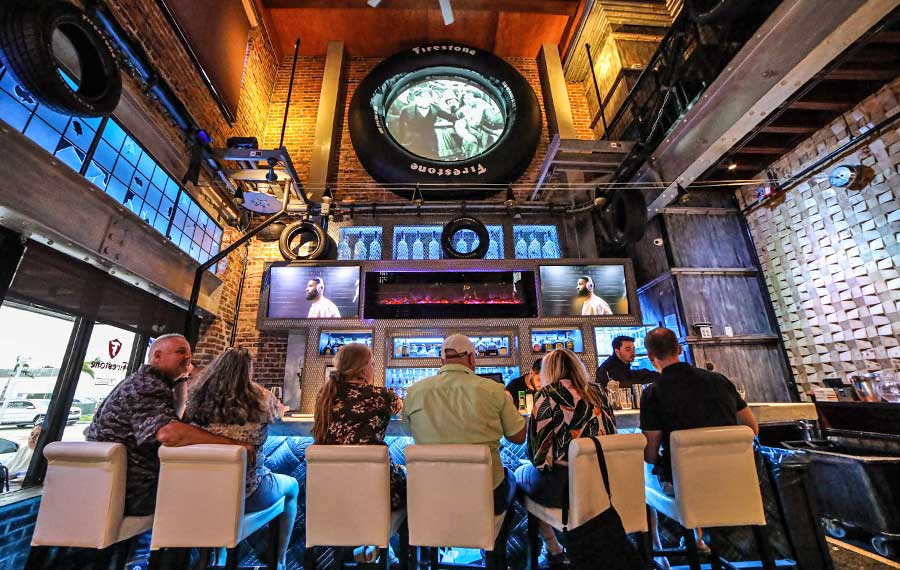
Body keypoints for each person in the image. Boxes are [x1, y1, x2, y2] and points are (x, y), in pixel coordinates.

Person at [84, 334, 254, 516]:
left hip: (117, 483)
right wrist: (235, 444)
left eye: (190, 354)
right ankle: (198, 542)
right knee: (219, 489)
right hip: (132, 491)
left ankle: (196, 543)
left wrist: (182, 379)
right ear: (157, 356)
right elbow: (170, 433)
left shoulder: (146, 381)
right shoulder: (147, 386)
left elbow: (176, 416)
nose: (188, 358)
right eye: (181, 352)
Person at [639, 327, 759, 553]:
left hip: (687, 485)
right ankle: (708, 535)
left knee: (643, 478)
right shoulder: (719, 380)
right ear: (680, 349)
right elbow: (751, 429)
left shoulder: (653, 393)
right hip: (736, 478)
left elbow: (650, 454)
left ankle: (668, 549)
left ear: (650, 356)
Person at [181, 348, 297, 569]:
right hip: (248, 494)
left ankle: (218, 558)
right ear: (248, 372)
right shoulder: (261, 398)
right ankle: (280, 562)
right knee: (292, 486)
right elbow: (279, 413)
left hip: (199, 494)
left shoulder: (196, 399)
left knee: (220, 487)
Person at [515, 349, 617, 568]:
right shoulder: (598, 392)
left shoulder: (548, 395)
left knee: (518, 476)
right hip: (605, 484)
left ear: (548, 371)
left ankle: (553, 549)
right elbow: (612, 435)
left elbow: (539, 457)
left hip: (567, 490)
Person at [403, 334, 526, 515]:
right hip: (486, 495)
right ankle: (495, 539)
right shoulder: (494, 390)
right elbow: (518, 437)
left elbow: (407, 431)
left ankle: (430, 539)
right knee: (513, 479)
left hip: (431, 493)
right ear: (471, 357)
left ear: (441, 359)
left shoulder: (414, 391)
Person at [313, 342, 404, 564]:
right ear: (364, 369)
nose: (373, 368)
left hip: (330, 496)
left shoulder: (324, 397)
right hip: (375, 493)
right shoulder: (382, 395)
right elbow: (401, 407)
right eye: (372, 364)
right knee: (411, 482)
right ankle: (396, 556)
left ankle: (370, 548)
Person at [595, 335, 660, 389]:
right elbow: (628, 382)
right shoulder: (608, 369)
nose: (633, 352)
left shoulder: (623, 365)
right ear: (617, 351)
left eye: (633, 349)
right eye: (628, 349)